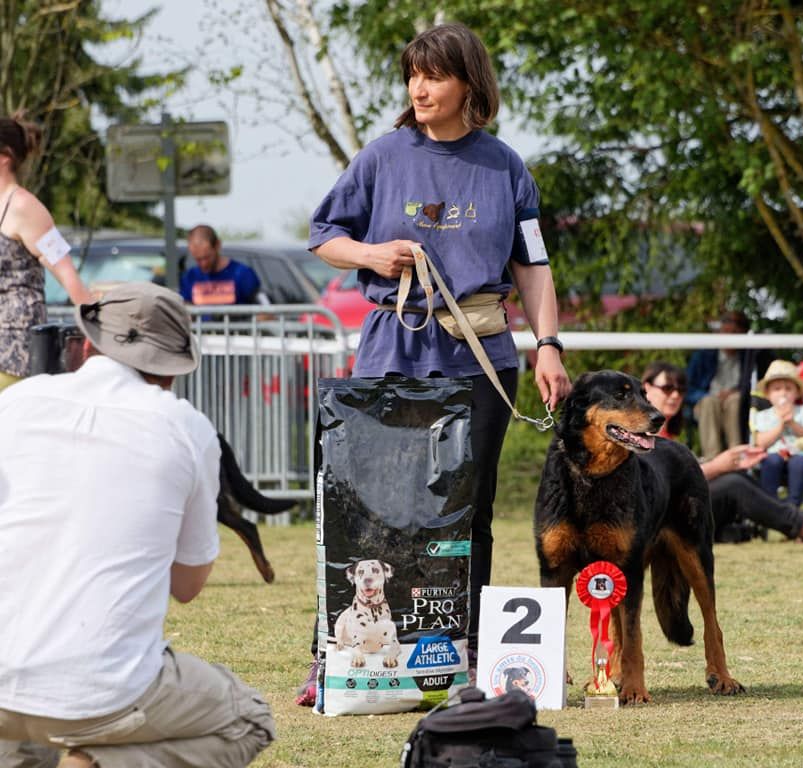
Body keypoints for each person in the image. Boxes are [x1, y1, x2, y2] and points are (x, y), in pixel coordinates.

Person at [301, 22, 571, 702]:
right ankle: (335, 655)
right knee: (372, 512)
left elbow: (532, 265)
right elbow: (322, 235)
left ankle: (465, 652)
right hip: (393, 346)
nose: (420, 88)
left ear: (469, 85)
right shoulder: (382, 157)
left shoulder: (506, 166)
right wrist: (370, 255)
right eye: (413, 75)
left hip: (480, 355)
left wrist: (549, 345)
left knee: (466, 511)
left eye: (435, 76)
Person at [0, 283, 275, 767]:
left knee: (24, 738)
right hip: (100, 691)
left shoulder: (17, 402)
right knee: (248, 719)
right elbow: (187, 586)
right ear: (171, 371)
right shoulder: (188, 428)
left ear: (86, 344)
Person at [641, 361, 803, 544]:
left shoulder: (666, 431)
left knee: (738, 476)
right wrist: (718, 465)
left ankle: (732, 529)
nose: (675, 395)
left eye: (681, 389)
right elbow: (661, 482)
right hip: (658, 518)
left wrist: (730, 463)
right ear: (646, 388)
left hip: (673, 511)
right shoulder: (639, 432)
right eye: (668, 388)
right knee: (733, 483)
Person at [0, 112, 94, 392]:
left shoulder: (24, 207)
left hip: (13, 350)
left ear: (4, 157)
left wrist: (99, 332)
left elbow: (66, 272)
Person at [753, 359, 803, 508]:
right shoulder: (763, 415)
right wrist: (781, 425)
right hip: (772, 455)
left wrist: (793, 424)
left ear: (796, 393)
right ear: (768, 394)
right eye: (777, 389)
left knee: (800, 464)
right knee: (772, 462)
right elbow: (760, 442)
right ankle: (770, 505)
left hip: (798, 455)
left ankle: (793, 507)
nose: (783, 393)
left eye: (788, 388)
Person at [685, 310, 751, 460]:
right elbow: (687, 388)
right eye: (727, 329)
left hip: (734, 404)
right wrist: (708, 395)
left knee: (735, 400)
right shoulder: (703, 354)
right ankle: (712, 458)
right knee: (710, 402)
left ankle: (737, 456)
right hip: (706, 402)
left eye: (736, 331)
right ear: (720, 331)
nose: (731, 334)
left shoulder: (748, 357)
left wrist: (735, 392)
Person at [179, 224, 262, 306]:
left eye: (206, 258)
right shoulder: (190, 277)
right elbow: (184, 309)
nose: (203, 264)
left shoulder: (242, 274)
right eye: (198, 259)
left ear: (217, 245)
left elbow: (262, 311)